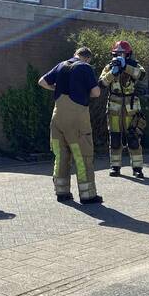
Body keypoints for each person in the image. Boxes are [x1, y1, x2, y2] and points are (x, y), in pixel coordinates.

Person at [38, 47, 103, 204]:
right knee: (82, 156)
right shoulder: (85, 67)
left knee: (61, 155)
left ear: (75, 54)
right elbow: (96, 93)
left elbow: (42, 82)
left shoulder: (61, 65)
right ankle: (87, 195)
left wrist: (55, 88)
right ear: (87, 58)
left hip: (57, 116)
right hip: (77, 118)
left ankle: (62, 192)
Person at [99, 40, 146, 178]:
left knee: (133, 138)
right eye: (117, 53)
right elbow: (101, 83)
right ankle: (115, 166)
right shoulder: (109, 67)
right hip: (114, 107)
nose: (119, 56)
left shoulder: (134, 65)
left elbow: (141, 75)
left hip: (131, 108)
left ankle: (137, 168)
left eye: (122, 53)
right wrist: (113, 73)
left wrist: (126, 68)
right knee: (115, 138)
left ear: (128, 54)